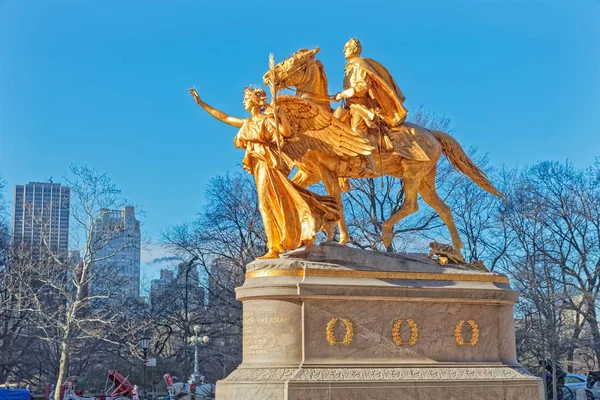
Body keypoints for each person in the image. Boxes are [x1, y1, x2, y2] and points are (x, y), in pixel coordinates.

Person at [190, 87, 339, 258]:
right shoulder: (248, 123)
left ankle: (273, 248)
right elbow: (225, 117)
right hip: (260, 166)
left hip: (269, 165)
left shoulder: (266, 121)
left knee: (267, 204)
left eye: (246, 98)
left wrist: (281, 115)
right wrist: (202, 103)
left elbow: (287, 133)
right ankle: (284, 240)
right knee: (276, 202)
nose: (243, 102)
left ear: (254, 100)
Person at [334, 38, 411, 170]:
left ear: (354, 49)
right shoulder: (349, 67)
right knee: (332, 123)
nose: (343, 50)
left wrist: (343, 94)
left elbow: (363, 86)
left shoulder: (360, 64)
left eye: (346, 48)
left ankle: (370, 163)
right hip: (349, 105)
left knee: (356, 130)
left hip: (360, 104)